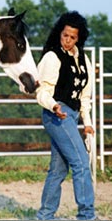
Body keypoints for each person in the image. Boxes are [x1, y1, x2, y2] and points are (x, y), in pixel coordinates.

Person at [36, 11, 97, 220]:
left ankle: (44, 215)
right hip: (56, 114)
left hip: (71, 116)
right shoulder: (52, 57)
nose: (68, 40)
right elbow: (41, 92)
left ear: (78, 38)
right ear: (59, 33)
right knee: (81, 162)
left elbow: (85, 96)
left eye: (72, 37)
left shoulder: (84, 60)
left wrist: (87, 123)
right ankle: (87, 215)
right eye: (65, 36)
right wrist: (53, 106)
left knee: (59, 170)